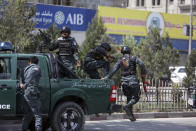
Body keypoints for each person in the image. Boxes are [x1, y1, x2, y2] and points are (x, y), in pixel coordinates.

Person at [103, 46, 146, 121]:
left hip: (124, 82)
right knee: (136, 97)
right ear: (129, 51)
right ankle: (127, 106)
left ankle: (131, 117)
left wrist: (107, 77)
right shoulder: (133, 58)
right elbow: (142, 64)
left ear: (122, 52)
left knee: (129, 98)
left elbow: (114, 70)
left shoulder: (120, 60)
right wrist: (143, 74)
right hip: (133, 81)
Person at [20, 56, 42, 131]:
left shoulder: (25, 69)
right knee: (38, 115)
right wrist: (25, 85)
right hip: (32, 93)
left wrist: (22, 85)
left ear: (29, 62)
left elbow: (21, 79)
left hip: (26, 93)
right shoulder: (36, 68)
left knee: (28, 115)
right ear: (36, 62)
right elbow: (30, 78)